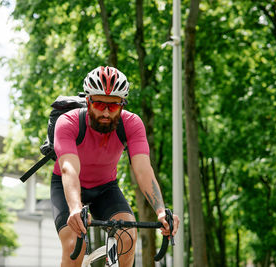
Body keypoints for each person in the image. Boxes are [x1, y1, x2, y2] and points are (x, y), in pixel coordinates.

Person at [50, 66, 179, 267]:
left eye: (114, 105)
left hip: (105, 188)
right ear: (88, 101)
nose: (107, 112)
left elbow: (143, 169)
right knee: (74, 245)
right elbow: (69, 168)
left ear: (122, 104)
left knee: (128, 238)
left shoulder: (132, 123)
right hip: (67, 186)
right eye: (100, 104)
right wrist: (76, 208)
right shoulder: (68, 122)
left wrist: (161, 211)